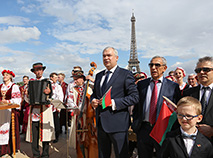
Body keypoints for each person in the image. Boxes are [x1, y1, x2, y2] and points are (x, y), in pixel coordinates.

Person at [91, 46, 139, 158]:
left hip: (118, 124)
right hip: (101, 123)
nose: (106, 58)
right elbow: (95, 93)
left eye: (109, 55)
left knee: (121, 155)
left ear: (116, 58)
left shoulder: (125, 74)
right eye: (104, 56)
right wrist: (93, 100)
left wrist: (113, 103)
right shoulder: (98, 75)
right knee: (103, 155)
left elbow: (134, 97)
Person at [132, 56, 181, 158]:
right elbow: (137, 106)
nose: (153, 68)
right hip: (144, 129)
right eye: (151, 65)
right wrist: (136, 125)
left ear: (164, 68)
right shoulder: (142, 84)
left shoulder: (173, 86)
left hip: (162, 130)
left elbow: (176, 110)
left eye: (157, 65)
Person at [26, 62, 55, 158]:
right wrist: (26, 95)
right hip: (34, 111)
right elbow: (28, 99)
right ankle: (36, 154)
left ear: (42, 71)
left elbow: (52, 97)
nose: (38, 72)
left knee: (45, 133)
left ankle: (45, 154)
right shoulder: (31, 83)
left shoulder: (48, 82)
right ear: (34, 72)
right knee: (34, 135)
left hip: (45, 111)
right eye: (36, 70)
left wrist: (49, 93)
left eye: (40, 70)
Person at [68, 69, 98, 158]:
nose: (75, 81)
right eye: (74, 79)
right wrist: (75, 108)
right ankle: (80, 152)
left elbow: (101, 87)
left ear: (82, 79)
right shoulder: (73, 89)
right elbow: (69, 100)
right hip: (78, 115)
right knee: (78, 135)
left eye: (77, 79)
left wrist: (92, 80)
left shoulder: (90, 86)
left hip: (89, 116)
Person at [183, 56, 213, 140]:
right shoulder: (188, 93)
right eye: (198, 70)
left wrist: (212, 131)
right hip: (191, 142)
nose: (202, 72)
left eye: (206, 69)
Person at [0, 70, 21, 157]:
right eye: (4, 75)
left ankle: (9, 149)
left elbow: (17, 100)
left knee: (10, 129)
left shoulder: (14, 86)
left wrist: (7, 101)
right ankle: (1, 150)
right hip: (1, 111)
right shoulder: (1, 86)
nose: (4, 76)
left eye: (6, 75)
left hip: (9, 111)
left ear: (10, 77)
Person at [50, 72, 64, 143]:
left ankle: (56, 136)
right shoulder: (48, 85)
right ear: (51, 78)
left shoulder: (58, 86)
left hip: (55, 107)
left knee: (56, 123)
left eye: (57, 77)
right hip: (48, 107)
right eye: (55, 77)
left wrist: (58, 107)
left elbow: (60, 96)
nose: (56, 79)